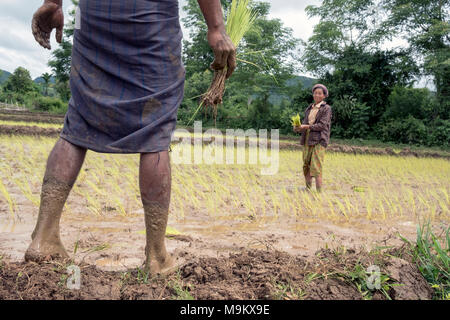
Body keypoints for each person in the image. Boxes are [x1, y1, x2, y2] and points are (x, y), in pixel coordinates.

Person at [26, 0, 236, 275]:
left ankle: (43, 237)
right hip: (150, 21)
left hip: (95, 16)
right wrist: (216, 27)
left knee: (78, 121)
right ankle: (156, 256)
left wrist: (53, 3)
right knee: (155, 130)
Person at [293, 84, 332, 193]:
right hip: (307, 139)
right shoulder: (309, 108)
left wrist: (306, 127)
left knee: (316, 166)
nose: (317, 95)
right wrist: (298, 128)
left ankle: (319, 192)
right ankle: (308, 189)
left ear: (324, 96)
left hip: (319, 140)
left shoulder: (326, 109)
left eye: (320, 93)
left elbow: (322, 125)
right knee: (306, 165)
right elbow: (304, 124)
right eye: (315, 93)